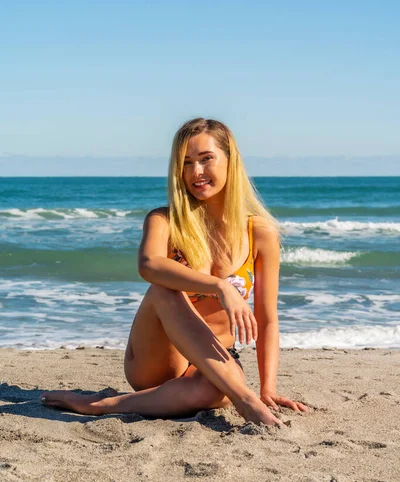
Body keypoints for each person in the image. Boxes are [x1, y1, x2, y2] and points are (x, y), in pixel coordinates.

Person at [41, 118, 308, 425]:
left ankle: (106, 404)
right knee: (164, 286)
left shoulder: (260, 233)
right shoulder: (164, 220)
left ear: (230, 161)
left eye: (206, 159)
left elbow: (267, 318)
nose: (196, 172)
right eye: (186, 163)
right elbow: (149, 265)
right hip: (157, 360)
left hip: (212, 360)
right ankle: (244, 401)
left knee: (216, 390)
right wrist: (220, 287)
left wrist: (268, 388)